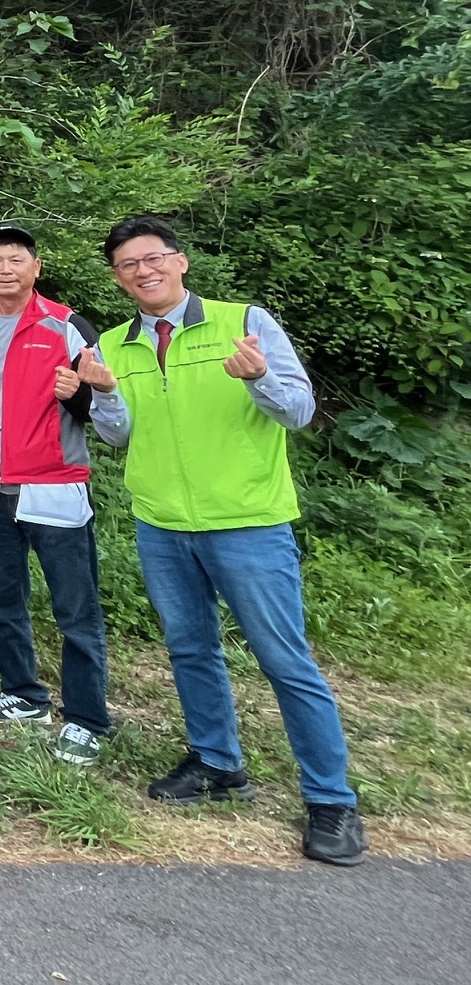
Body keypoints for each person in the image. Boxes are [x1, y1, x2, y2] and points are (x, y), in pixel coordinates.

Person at [87, 214, 366, 866]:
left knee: (284, 660)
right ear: (118, 278)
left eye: (154, 258)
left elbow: (297, 411)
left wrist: (259, 377)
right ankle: (217, 764)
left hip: (247, 523)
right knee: (190, 649)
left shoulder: (245, 322)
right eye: (129, 264)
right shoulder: (113, 343)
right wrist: (102, 396)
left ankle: (331, 799)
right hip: (162, 523)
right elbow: (119, 436)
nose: (144, 271)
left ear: (181, 262)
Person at [0, 224, 113, 764]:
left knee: (74, 606)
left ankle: (87, 719)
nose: (5, 268)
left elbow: (101, 408)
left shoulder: (66, 325)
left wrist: (80, 395)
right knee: (2, 597)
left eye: (16, 260)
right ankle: (23, 693)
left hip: (51, 480)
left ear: (36, 268)